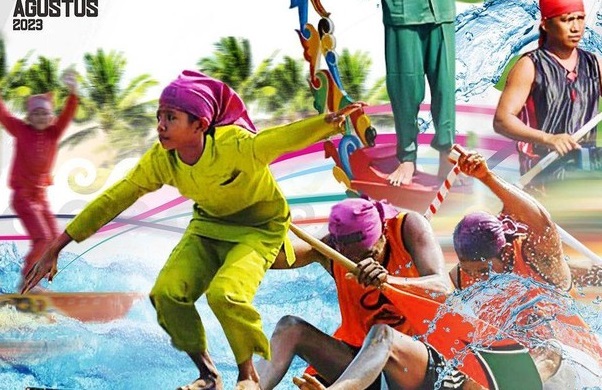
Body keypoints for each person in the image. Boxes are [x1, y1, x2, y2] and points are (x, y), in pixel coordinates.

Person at [20, 70, 363, 390]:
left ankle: (248, 376)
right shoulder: (161, 159)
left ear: (199, 124)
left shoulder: (234, 145)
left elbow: (279, 140)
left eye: (171, 117)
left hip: (259, 227)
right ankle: (208, 375)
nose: (161, 125)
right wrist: (58, 245)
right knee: (167, 293)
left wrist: (328, 123)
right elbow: (114, 198)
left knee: (224, 294)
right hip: (210, 225)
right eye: (159, 117)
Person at [291, 149, 602, 390]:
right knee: (473, 375)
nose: (478, 280)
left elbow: (543, 223)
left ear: (504, 252)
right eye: (470, 272)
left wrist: (486, 177)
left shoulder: (540, 261)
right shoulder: (460, 280)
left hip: (578, 365)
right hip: (514, 373)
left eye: (482, 271)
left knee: (535, 357)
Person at [256, 196, 455, 389]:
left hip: (413, 368)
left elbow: (443, 289)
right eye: (351, 261)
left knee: (383, 333)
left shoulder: (408, 227)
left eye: (369, 255)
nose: (362, 266)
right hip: (361, 371)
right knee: (290, 328)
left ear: (383, 234)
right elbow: (268, 259)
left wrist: (388, 280)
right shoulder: (329, 250)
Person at [493, 0, 602, 189]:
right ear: (545, 24)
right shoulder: (528, 66)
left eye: (580, 19)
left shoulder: (595, 64)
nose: (576, 27)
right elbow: (502, 120)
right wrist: (549, 139)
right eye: (567, 20)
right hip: (544, 170)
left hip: (586, 164)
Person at [0, 70, 78, 287]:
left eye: (45, 114)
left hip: (40, 197)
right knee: (42, 239)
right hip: (23, 197)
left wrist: (73, 92)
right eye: (36, 114)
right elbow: (4, 115)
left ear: (51, 117)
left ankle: (41, 283)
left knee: (54, 240)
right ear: (29, 117)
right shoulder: (21, 130)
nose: (41, 118)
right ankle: (26, 283)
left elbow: (68, 114)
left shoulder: (54, 132)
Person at [380, 0, 457, 186]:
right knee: (405, 87)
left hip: (441, 10)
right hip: (403, 11)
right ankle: (407, 158)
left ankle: (447, 152)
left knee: (444, 85)